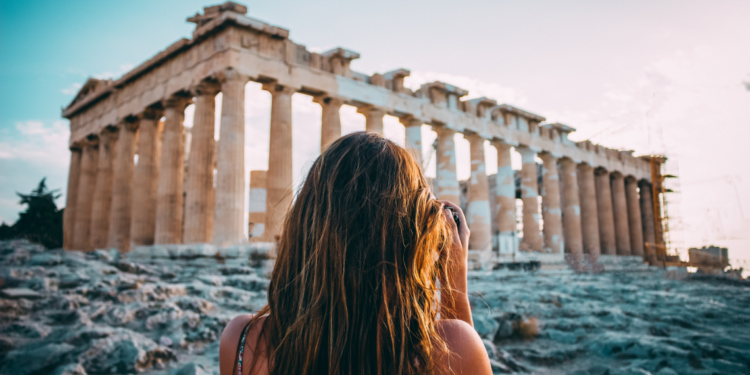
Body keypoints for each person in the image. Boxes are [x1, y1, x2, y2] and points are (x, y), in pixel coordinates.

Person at [219, 132, 492, 375]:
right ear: (414, 235)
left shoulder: (242, 340)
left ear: (305, 222)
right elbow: (460, 352)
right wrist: (454, 278)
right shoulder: (452, 347)